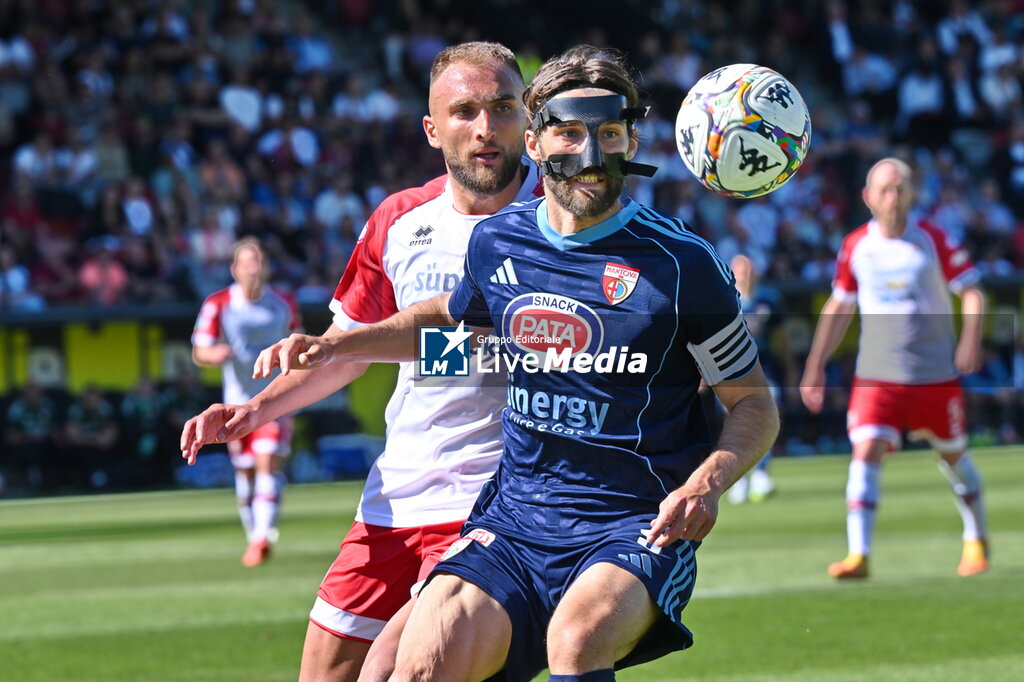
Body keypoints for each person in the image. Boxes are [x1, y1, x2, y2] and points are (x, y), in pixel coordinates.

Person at [254, 45, 779, 682]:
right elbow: (447, 318)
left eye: (609, 134)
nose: (591, 155)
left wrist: (707, 484)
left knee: (577, 639)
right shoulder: (498, 240)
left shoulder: (684, 265)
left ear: (632, 141)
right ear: (534, 142)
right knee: (400, 669)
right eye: (570, 133)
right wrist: (341, 344)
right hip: (514, 518)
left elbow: (753, 403)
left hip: (634, 522)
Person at [181, 42, 540, 681]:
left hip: (498, 501)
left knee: (405, 672)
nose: (485, 128)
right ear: (432, 130)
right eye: (464, 112)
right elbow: (344, 350)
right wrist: (252, 410)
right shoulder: (398, 220)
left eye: (503, 107)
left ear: (527, 118)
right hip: (395, 496)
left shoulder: (563, 218)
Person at [799, 157, 989, 580]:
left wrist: (970, 339)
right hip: (876, 375)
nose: (893, 197)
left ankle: (976, 539)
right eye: (885, 189)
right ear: (868, 196)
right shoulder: (856, 246)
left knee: (953, 456)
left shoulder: (933, 239)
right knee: (865, 451)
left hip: (932, 375)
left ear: (913, 194)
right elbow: (840, 305)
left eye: (900, 188)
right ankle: (859, 553)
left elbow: (972, 291)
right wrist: (815, 364)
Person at [190, 237, 302, 567]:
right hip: (236, 402)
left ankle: (262, 537)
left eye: (259, 261)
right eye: (249, 262)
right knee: (245, 472)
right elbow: (200, 350)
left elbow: (298, 341)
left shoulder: (283, 303)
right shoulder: (219, 303)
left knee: (268, 460)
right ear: (235, 269)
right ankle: (254, 534)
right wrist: (215, 353)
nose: (255, 268)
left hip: (275, 399)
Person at [725, 254, 785, 504]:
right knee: (734, 424)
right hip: (729, 373)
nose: (746, 274)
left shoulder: (768, 299)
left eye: (749, 269)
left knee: (765, 416)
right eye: (741, 269)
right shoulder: (724, 297)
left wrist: (791, 368)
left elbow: (781, 337)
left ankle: (761, 473)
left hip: (764, 369)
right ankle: (738, 477)